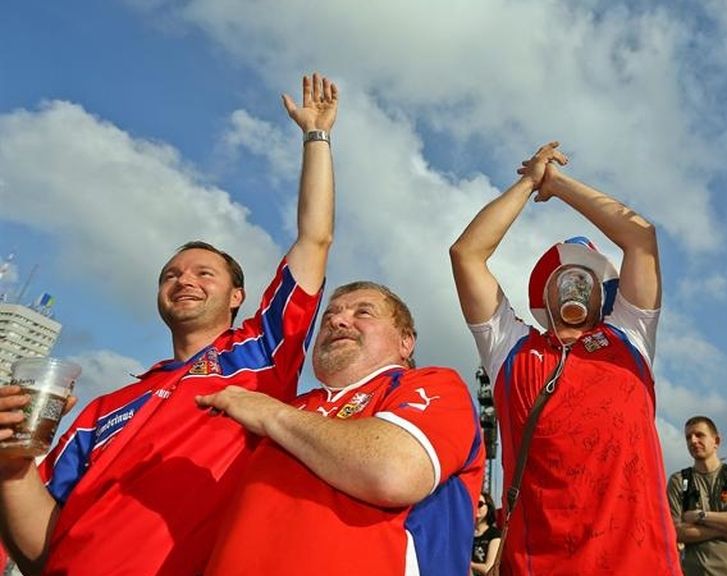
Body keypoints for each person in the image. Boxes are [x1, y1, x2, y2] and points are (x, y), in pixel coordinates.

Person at [0, 73, 338, 575]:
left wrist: (316, 136)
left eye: (205, 273)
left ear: (237, 296)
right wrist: (10, 466)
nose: (185, 281)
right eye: (171, 275)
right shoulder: (100, 411)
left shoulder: (262, 352)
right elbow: (41, 548)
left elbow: (315, 239)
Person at [450, 142, 680, 574]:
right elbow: (467, 255)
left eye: (586, 278)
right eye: (564, 278)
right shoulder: (512, 349)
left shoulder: (630, 336)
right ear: (544, 295)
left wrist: (557, 183)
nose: (574, 287)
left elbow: (640, 237)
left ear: (604, 296)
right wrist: (528, 182)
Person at [200, 281, 485, 575]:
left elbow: (395, 471)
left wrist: (272, 414)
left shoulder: (434, 383)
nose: (337, 320)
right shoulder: (285, 408)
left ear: (405, 342)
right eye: (329, 316)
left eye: (363, 312)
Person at [667, 416, 727, 575]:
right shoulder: (679, 481)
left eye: (699, 435)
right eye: (688, 437)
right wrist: (726, 530)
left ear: (716, 441)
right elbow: (674, 532)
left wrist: (700, 516)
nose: (693, 441)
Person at [471, 492, 501, 575]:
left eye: (480, 504)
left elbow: (489, 568)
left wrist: (468, 564)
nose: (476, 506)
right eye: (474, 503)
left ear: (489, 508)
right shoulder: (465, 534)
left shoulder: (494, 534)